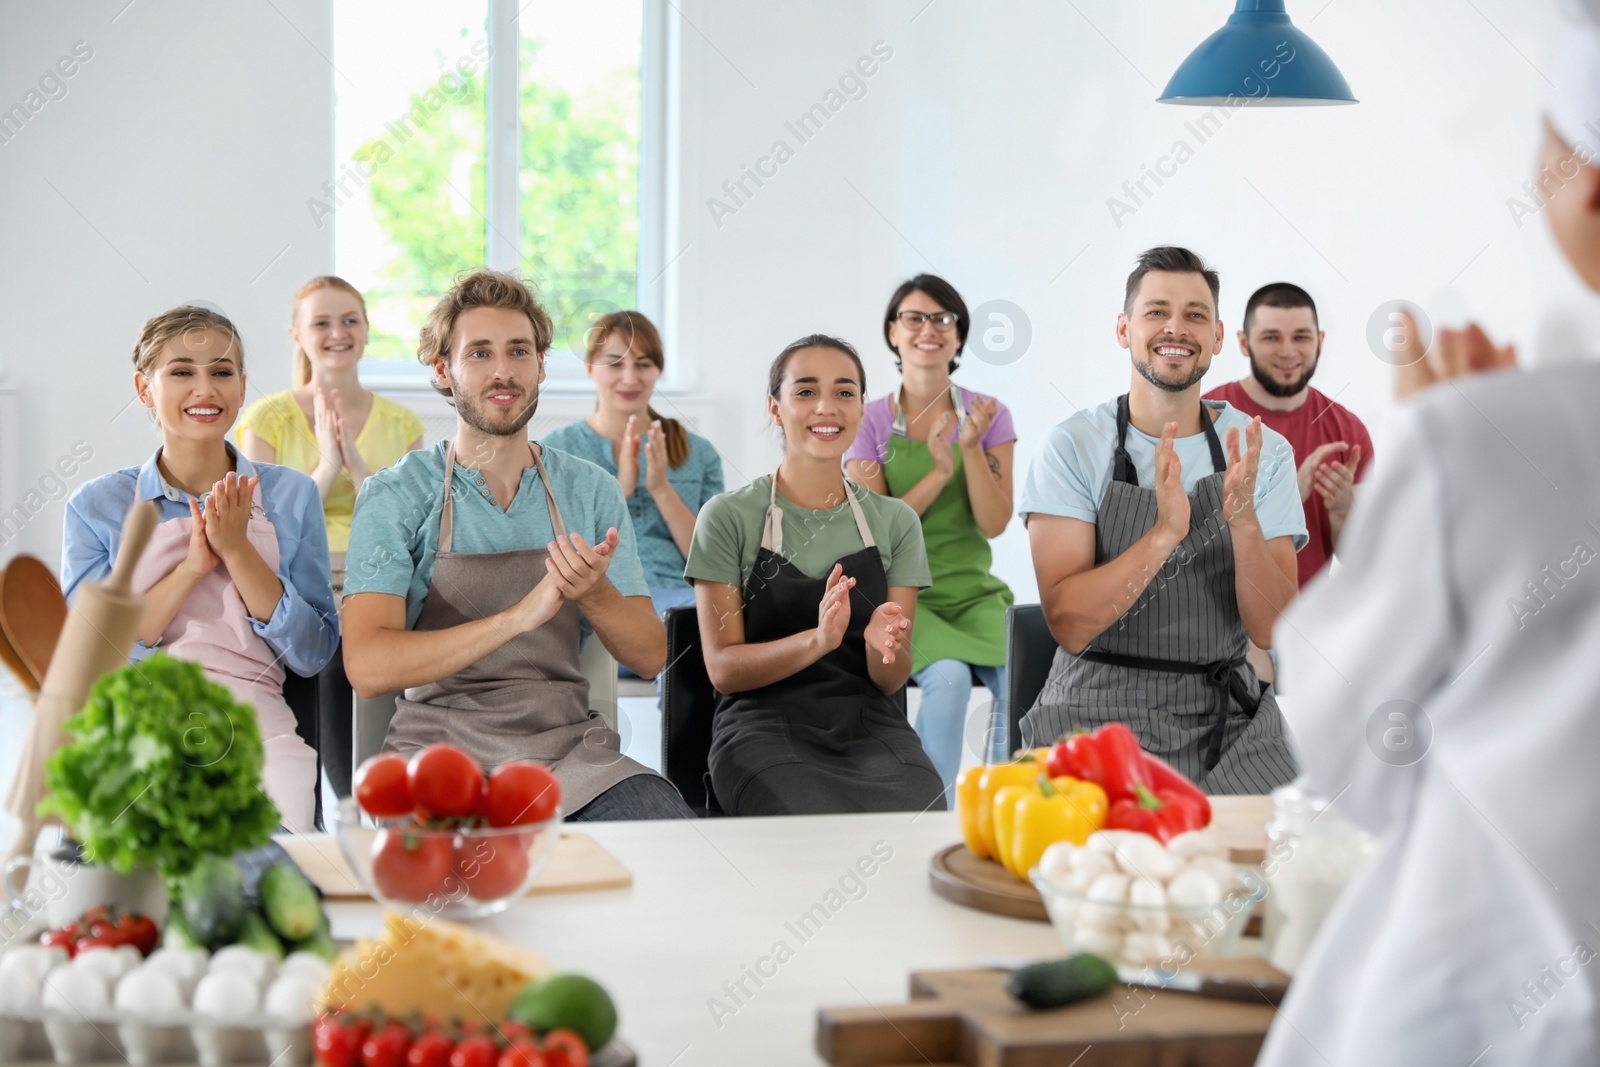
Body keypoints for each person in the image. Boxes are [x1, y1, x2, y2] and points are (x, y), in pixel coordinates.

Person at [1256, 3, 1600, 1061]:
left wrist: (1435, 453)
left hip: (1485, 1000)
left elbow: (1350, 746)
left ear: (1581, 183)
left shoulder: (1470, 434)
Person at [341, 270, 692, 822]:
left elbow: (651, 656)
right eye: (478, 353)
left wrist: (595, 594)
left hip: (572, 757)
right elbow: (367, 665)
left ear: (541, 365)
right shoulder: (397, 495)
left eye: (519, 351)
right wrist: (516, 617)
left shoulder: (589, 490)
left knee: (666, 840)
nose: (503, 371)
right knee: (440, 898)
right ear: (443, 369)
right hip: (436, 759)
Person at [1018, 246, 1304, 794]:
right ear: (1124, 329)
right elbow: (1069, 623)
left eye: (1196, 314)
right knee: (1094, 866)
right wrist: (1163, 534)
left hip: (1226, 716)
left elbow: (1272, 630)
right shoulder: (1073, 447)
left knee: (1291, 857)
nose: (1177, 327)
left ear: (1218, 337)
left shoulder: (1261, 453)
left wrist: (1242, 524)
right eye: (1156, 311)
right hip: (1093, 709)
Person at [62, 305, 338, 832]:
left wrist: (237, 549)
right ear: (144, 389)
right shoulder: (98, 505)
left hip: (260, 726)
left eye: (222, 371)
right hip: (139, 725)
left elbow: (311, 652)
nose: (205, 389)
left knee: (273, 874)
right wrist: (193, 565)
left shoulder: (290, 495)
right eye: (182, 371)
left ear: (241, 387)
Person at [685, 335, 945, 816]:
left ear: (862, 407)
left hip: (871, 726)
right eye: (805, 391)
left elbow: (891, 680)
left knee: (922, 812)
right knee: (807, 822)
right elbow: (723, 671)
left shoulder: (896, 522)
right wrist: (819, 640)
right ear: (775, 407)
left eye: (844, 392)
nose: (826, 407)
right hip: (761, 728)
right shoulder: (727, 517)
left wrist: (878, 645)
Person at [237, 275, 424, 799]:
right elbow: (261, 527)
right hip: (296, 577)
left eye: (349, 320)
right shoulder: (268, 418)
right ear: (297, 334)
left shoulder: (401, 421)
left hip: (375, 575)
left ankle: (350, 798)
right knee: (316, 634)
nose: (337, 333)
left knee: (350, 631)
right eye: (321, 322)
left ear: (365, 332)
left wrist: (358, 464)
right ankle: (320, 799)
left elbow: (410, 524)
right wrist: (326, 466)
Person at [844, 275, 1015, 803]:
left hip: (974, 592)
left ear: (959, 337)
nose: (929, 329)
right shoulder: (868, 421)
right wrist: (938, 474)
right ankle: (927, 815)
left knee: (1024, 681)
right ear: (893, 332)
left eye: (943, 319)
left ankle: (1005, 806)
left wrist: (967, 450)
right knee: (949, 681)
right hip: (906, 597)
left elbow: (994, 523)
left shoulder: (989, 415)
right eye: (914, 318)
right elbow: (875, 531)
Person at [542, 311, 723, 619]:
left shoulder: (699, 452)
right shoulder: (558, 450)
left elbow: (713, 562)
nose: (629, 378)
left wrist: (661, 489)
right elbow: (561, 553)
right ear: (590, 368)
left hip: (680, 598)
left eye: (643, 365)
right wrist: (619, 490)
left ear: (657, 371)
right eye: (614, 363)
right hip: (598, 595)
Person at [1203, 282, 1373, 589]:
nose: (1288, 351)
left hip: (1309, 626)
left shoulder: (1348, 431)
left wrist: (1343, 509)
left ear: (1320, 341)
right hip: (1221, 628)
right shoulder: (1206, 417)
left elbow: (1362, 560)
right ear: (1244, 343)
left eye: (1301, 337)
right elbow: (1189, 546)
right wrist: (1286, 492)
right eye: (1271, 337)